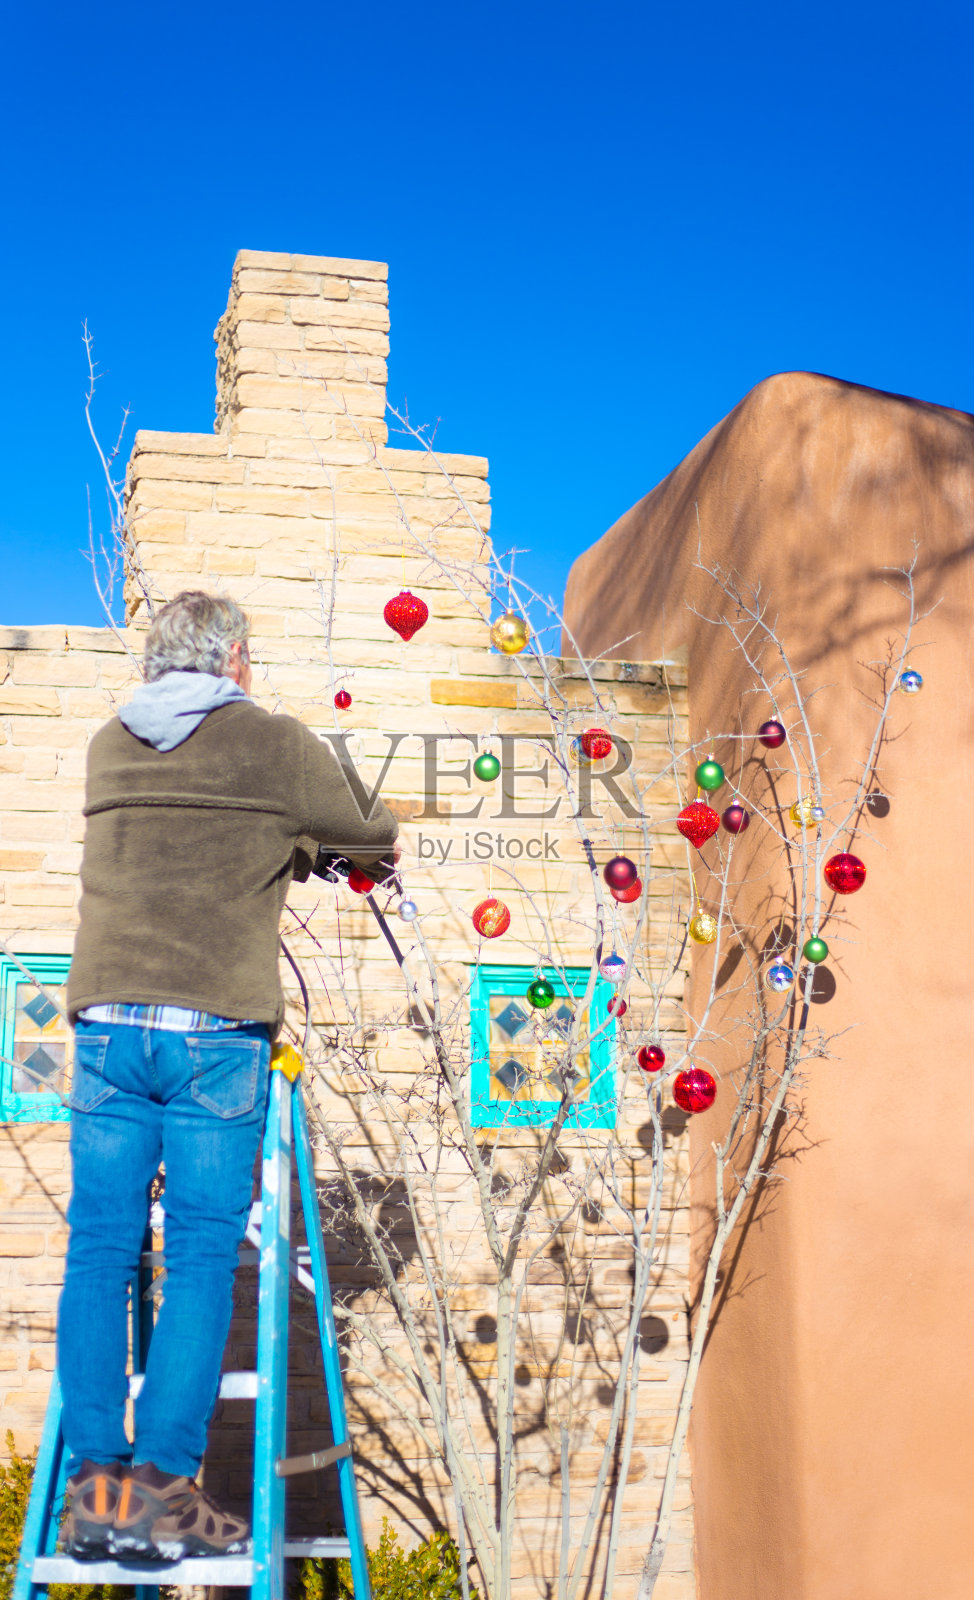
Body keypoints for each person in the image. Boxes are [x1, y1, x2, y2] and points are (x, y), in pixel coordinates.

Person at [57, 591, 398, 1562]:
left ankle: (95, 1490)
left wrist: (280, 840)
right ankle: (162, 1487)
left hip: (109, 1027)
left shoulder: (108, 745)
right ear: (235, 660)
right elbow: (370, 831)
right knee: (203, 1253)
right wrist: (308, 840)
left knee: (100, 1249)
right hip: (213, 1032)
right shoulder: (275, 745)